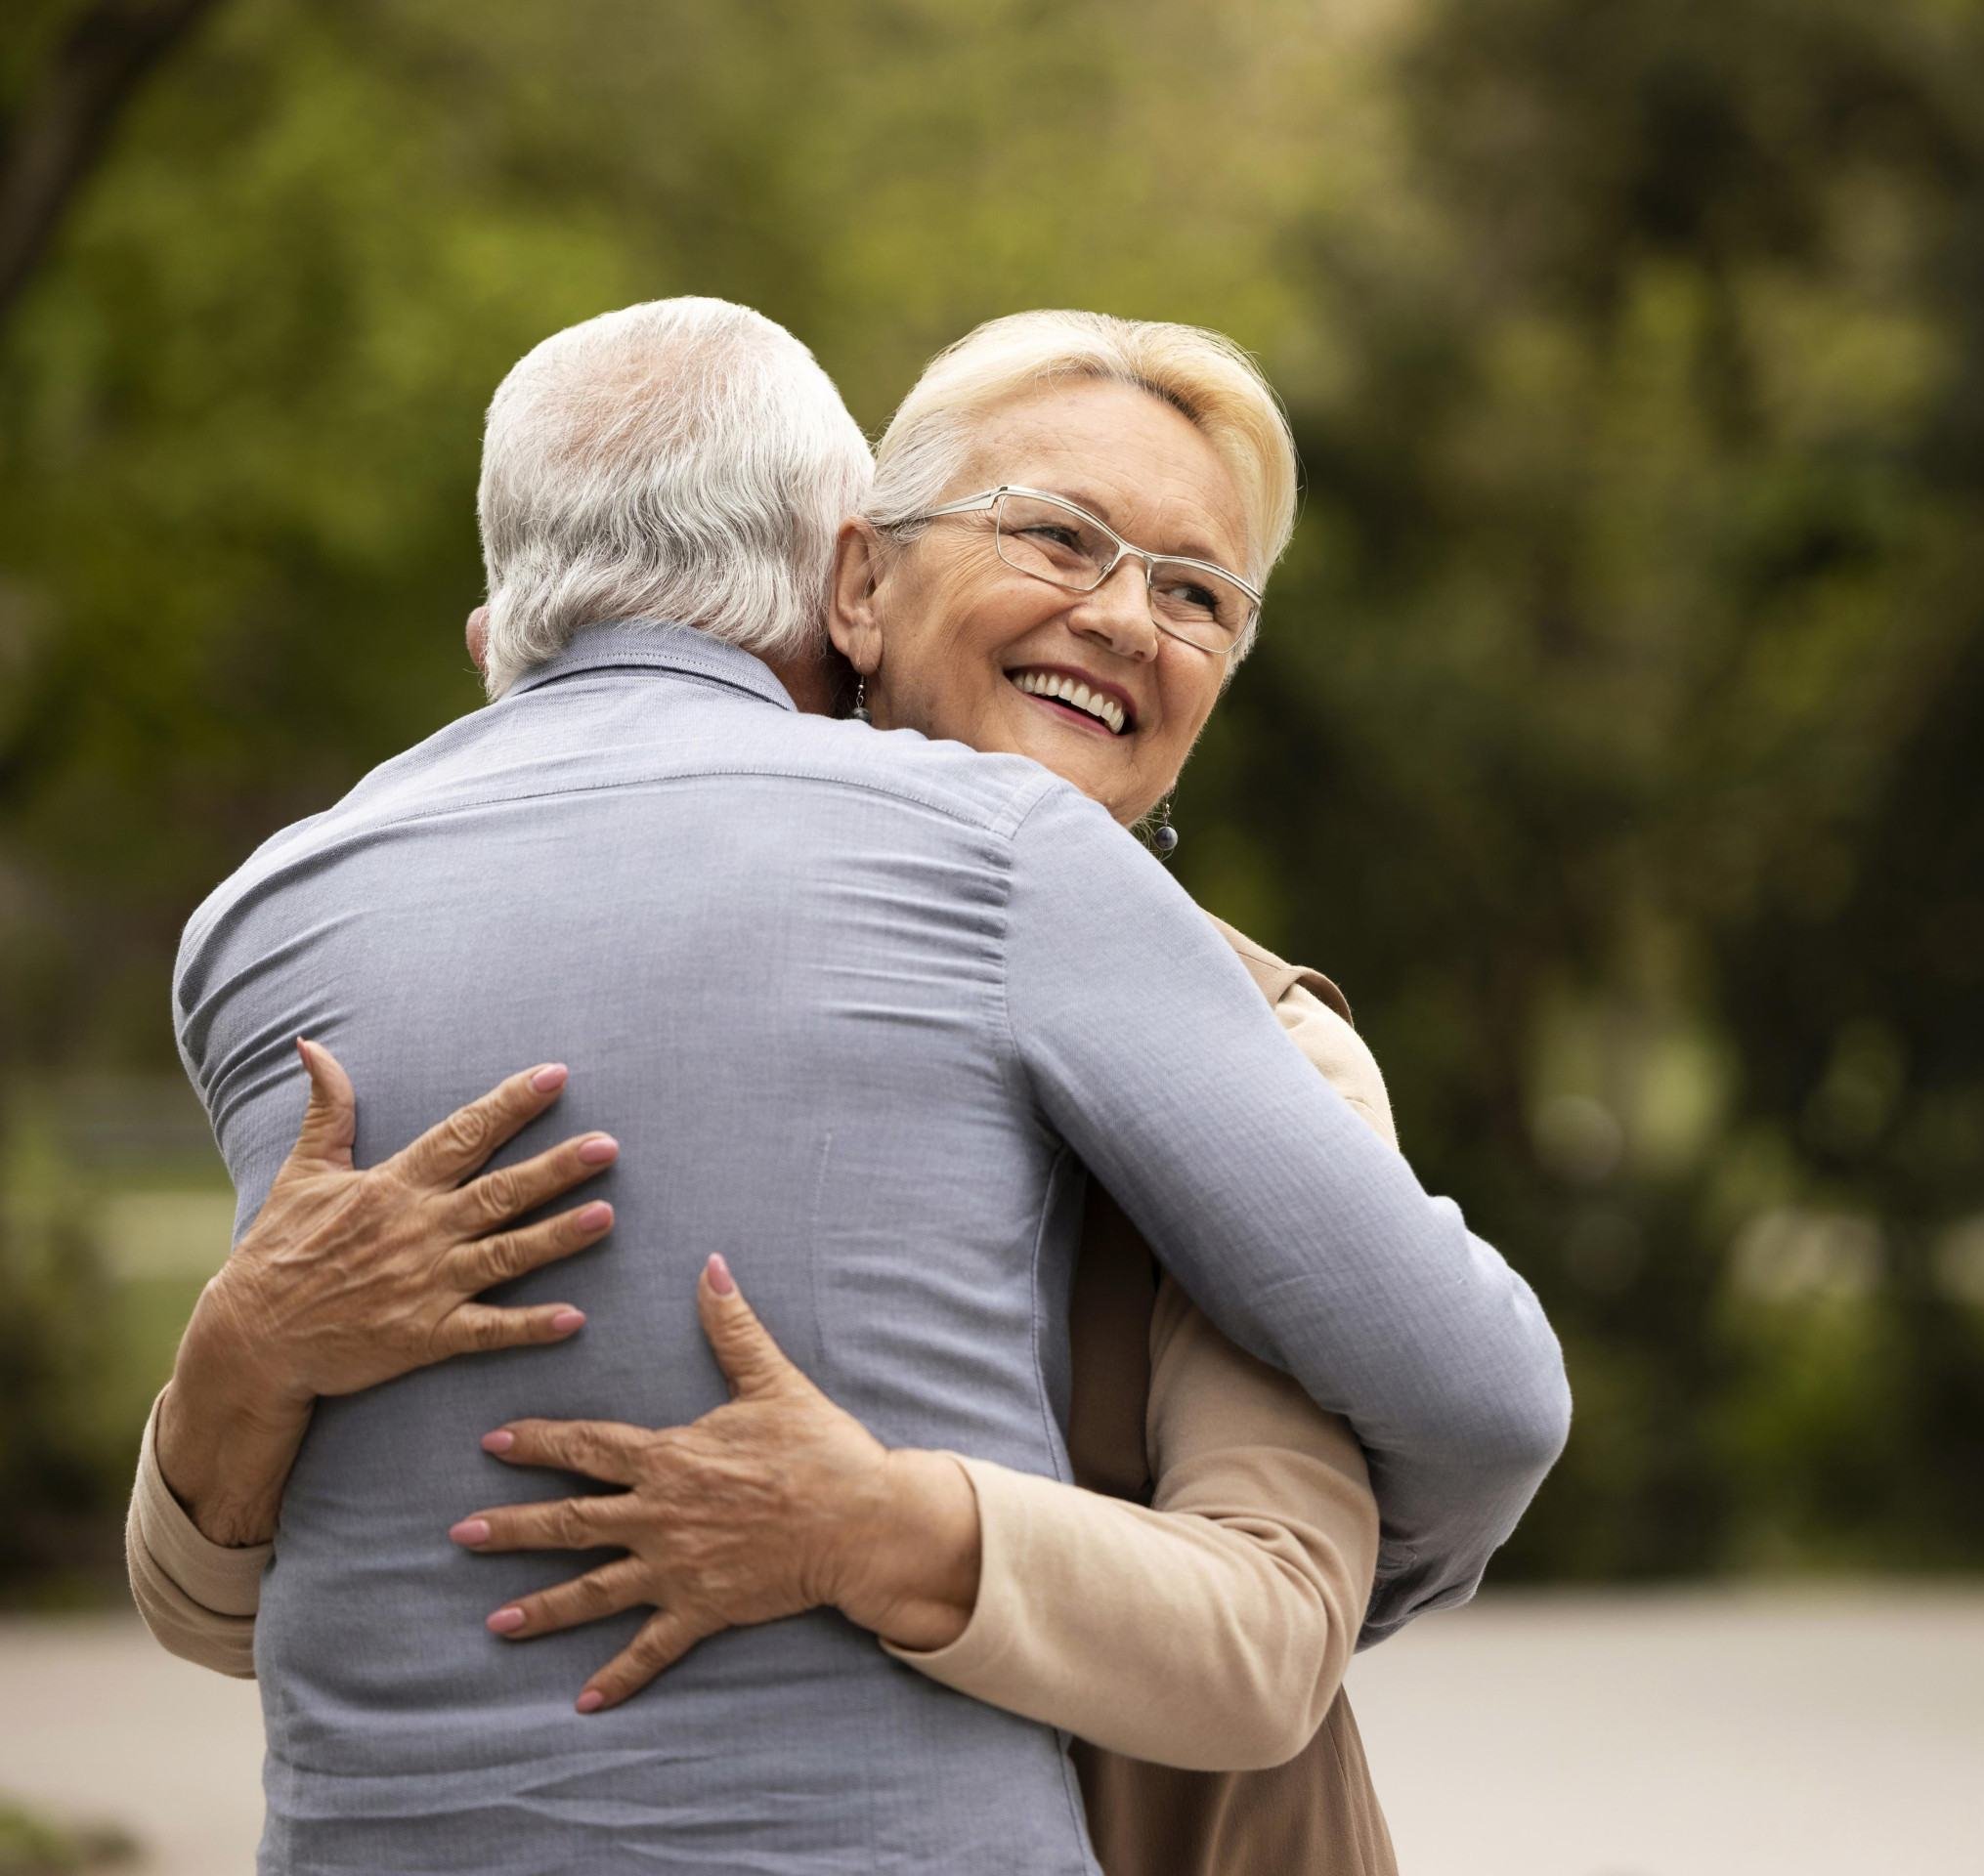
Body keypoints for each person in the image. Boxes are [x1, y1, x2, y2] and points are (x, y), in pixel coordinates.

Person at [131, 297, 1568, 1874]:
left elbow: (1295, 1613)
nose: (1125, 619)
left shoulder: (1273, 1045)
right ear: (861, 574)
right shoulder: (583, 941)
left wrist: (891, 1532)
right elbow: (278, 1603)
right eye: (1061, 537)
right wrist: (244, 1353)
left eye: (1197, 594)